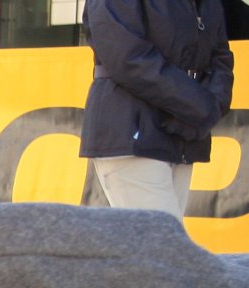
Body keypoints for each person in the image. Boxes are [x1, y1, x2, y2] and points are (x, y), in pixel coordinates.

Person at [80, 0, 233, 219]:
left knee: (165, 235)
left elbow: (220, 58)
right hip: (131, 134)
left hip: (182, 137)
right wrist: (196, 107)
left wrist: (207, 108)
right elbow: (127, 57)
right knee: (164, 237)